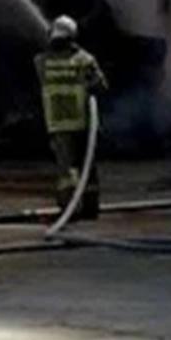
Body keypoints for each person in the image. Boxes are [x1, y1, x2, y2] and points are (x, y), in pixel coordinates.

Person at [34, 15, 109, 221]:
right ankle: (90, 208)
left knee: (67, 172)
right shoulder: (85, 60)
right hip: (84, 123)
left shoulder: (42, 61)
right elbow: (101, 87)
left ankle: (69, 210)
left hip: (59, 124)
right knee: (88, 168)